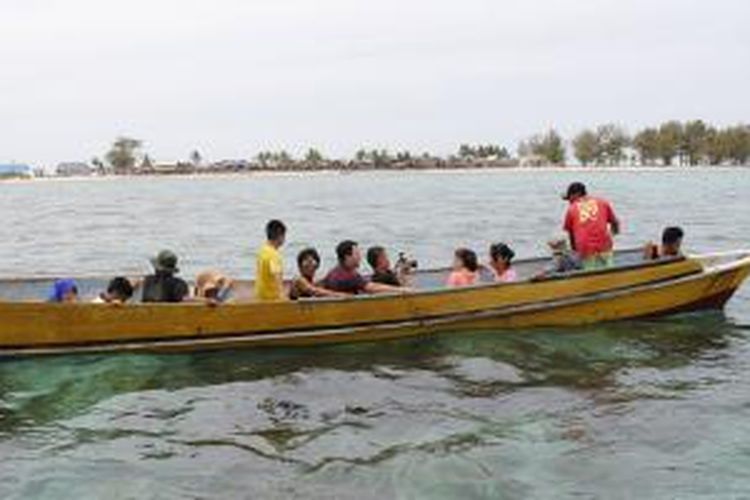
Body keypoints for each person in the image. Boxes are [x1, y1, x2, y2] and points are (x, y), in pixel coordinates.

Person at [562, 182, 621, 270]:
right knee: (607, 266)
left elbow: (571, 235)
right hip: (605, 245)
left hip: (586, 249)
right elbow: (615, 222)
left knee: (589, 268)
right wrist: (613, 235)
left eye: (569, 198)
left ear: (576, 194)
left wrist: (575, 252)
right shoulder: (602, 202)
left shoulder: (572, 209)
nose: (569, 201)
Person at [321, 240, 406, 295]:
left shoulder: (333, 272)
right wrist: (404, 290)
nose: (360, 257)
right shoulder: (349, 276)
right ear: (347, 257)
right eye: (357, 254)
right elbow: (372, 287)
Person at [255, 219, 287, 301]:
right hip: (271, 301)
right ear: (280, 236)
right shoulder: (273, 255)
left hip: (260, 298)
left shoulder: (262, 250)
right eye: (284, 236)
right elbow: (276, 277)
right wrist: (284, 300)